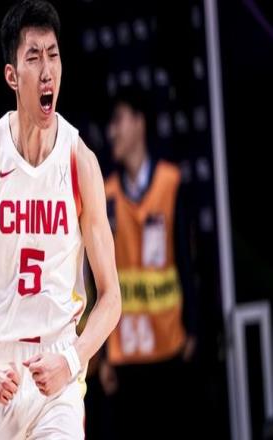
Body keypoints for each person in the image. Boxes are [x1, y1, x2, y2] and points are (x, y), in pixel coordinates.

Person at [0, 1, 121, 438]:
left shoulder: (80, 162)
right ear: (12, 76)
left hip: (58, 370)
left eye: (53, 55)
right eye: (33, 57)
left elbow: (111, 297)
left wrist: (72, 360)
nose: (47, 70)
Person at [99, 86, 198, 439]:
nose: (112, 131)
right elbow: (99, 280)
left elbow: (189, 261)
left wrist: (193, 329)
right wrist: (104, 355)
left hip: (170, 348)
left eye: (119, 120)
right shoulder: (106, 195)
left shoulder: (170, 183)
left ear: (139, 123)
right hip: (126, 357)